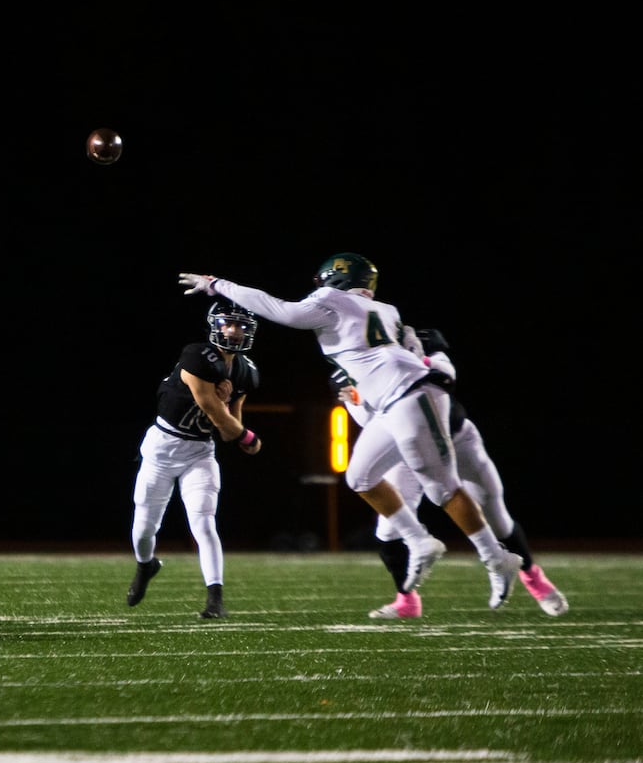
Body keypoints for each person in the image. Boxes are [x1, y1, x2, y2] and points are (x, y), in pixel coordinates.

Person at [178, 253, 523, 609]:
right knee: (359, 476)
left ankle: (497, 559)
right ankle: (419, 540)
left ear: (335, 279)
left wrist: (218, 284)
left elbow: (282, 311)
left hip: (411, 394)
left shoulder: (332, 299)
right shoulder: (386, 310)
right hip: (392, 401)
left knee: (441, 488)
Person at [333, 328, 569, 619]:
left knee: (496, 517)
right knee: (388, 529)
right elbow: (372, 422)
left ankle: (534, 580)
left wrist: (416, 358)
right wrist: (357, 399)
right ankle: (407, 601)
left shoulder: (411, 339)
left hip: (457, 438)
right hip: (403, 451)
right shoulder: (349, 369)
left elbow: (446, 375)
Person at [127, 299, 262, 619]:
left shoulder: (246, 371)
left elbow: (231, 429)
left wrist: (237, 426)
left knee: (203, 522)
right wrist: (249, 438)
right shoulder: (196, 356)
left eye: (241, 325)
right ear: (215, 325)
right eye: (229, 323)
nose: (234, 330)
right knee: (144, 528)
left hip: (199, 451)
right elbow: (219, 417)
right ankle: (146, 566)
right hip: (162, 448)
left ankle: (215, 599)